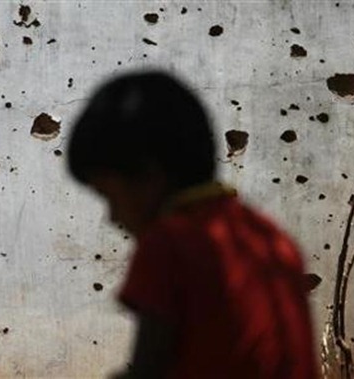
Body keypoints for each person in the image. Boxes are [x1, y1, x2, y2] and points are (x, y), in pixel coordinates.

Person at [66, 71, 318, 379]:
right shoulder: (272, 239)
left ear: (148, 177)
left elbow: (147, 371)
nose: (112, 217)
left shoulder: (169, 244)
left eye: (109, 196)